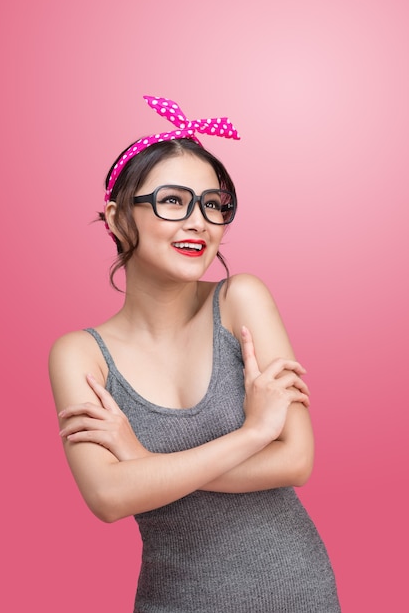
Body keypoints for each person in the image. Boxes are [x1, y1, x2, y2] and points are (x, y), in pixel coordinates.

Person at [49, 95, 341, 612]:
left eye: (213, 204)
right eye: (172, 201)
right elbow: (109, 497)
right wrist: (253, 435)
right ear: (117, 219)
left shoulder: (240, 299)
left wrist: (144, 464)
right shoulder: (80, 355)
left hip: (297, 593)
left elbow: (296, 460)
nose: (199, 222)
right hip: (176, 600)